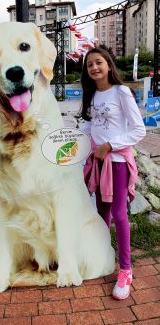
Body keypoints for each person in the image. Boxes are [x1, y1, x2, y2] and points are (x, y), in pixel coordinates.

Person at [80, 47, 146, 300]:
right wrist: (73, 138)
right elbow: (91, 124)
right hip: (96, 161)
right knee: (102, 213)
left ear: (108, 65)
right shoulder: (93, 94)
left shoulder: (122, 92)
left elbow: (138, 130)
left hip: (116, 161)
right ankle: (103, 258)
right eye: (89, 65)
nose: (94, 68)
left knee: (119, 214)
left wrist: (109, 146)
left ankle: (126, 270)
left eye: (99, 62)